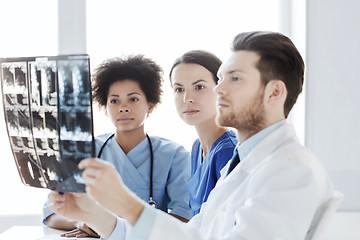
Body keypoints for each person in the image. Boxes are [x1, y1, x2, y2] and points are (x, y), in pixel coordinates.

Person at [48, 31, 336, 239]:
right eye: (221, 78)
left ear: (275, 92)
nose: (219, 89)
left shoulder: (292, 172)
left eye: (234, 79)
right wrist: (93, 214)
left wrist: (126, 204)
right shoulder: (242, 165)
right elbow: (192, 235)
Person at [43, 55, 192, 238]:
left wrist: (117, 228)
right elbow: (51, 212)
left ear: (150, 105)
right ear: (105, 107)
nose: (123, 107)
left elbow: (185, 218)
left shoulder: (174, 155)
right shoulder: (84, 151)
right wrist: (83, 221)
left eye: (133, 99)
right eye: (114, 101)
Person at [169, 50, 237, 216]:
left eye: (199, 87)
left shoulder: (228, 152)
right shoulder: (197, 147)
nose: (187, 98)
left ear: (221, 89)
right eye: (179, 89)